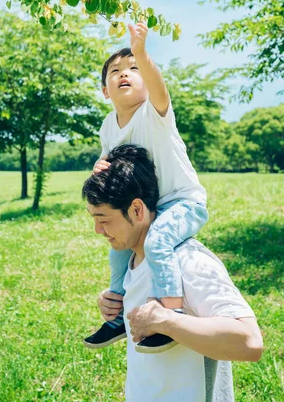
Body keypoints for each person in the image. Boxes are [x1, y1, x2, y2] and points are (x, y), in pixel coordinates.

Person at [82, 144, 263, 402]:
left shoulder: (190, 262)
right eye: (93, 219)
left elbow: (250, 343)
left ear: (137, 209)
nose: (98, 230)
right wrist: (116, 305)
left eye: (105, 219)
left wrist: (168, 321)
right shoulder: (132, 259)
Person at [83, 22, 208, 353]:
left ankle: (170, 314)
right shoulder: (109, 125)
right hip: (146, 207)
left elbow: (160, 90)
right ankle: (116, 317)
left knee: (157, 242)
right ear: (105, 91)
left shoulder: (153, 113)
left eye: (133, 69)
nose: (124, 73)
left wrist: (141, 52)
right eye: (115, 71)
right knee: (117, 252)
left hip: (183, 202)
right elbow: (109, 161)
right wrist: (100, 166)